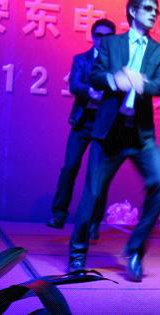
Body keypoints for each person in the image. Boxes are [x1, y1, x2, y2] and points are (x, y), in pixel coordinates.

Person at [68, 0, 160, 282]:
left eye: (156, 10)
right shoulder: (111, 44)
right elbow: (96, 76)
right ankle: (77, 252)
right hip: (109, 132)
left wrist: (142, 83)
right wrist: (116, 79)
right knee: (93, 193)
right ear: (132, 12)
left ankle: (135, 251)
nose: (153, 13)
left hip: (140, 135)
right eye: (148, 8)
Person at [47, 18, 116, 240]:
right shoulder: (81, 59)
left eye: (107, 36)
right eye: (99, 35)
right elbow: (75, 84)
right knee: (69, 167)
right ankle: (59, 214)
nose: (102, 40)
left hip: (105, 125)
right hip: (82, 123)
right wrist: (91, 92)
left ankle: (94, 222)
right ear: (93, 37)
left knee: (98, 176)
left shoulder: (118, 64)